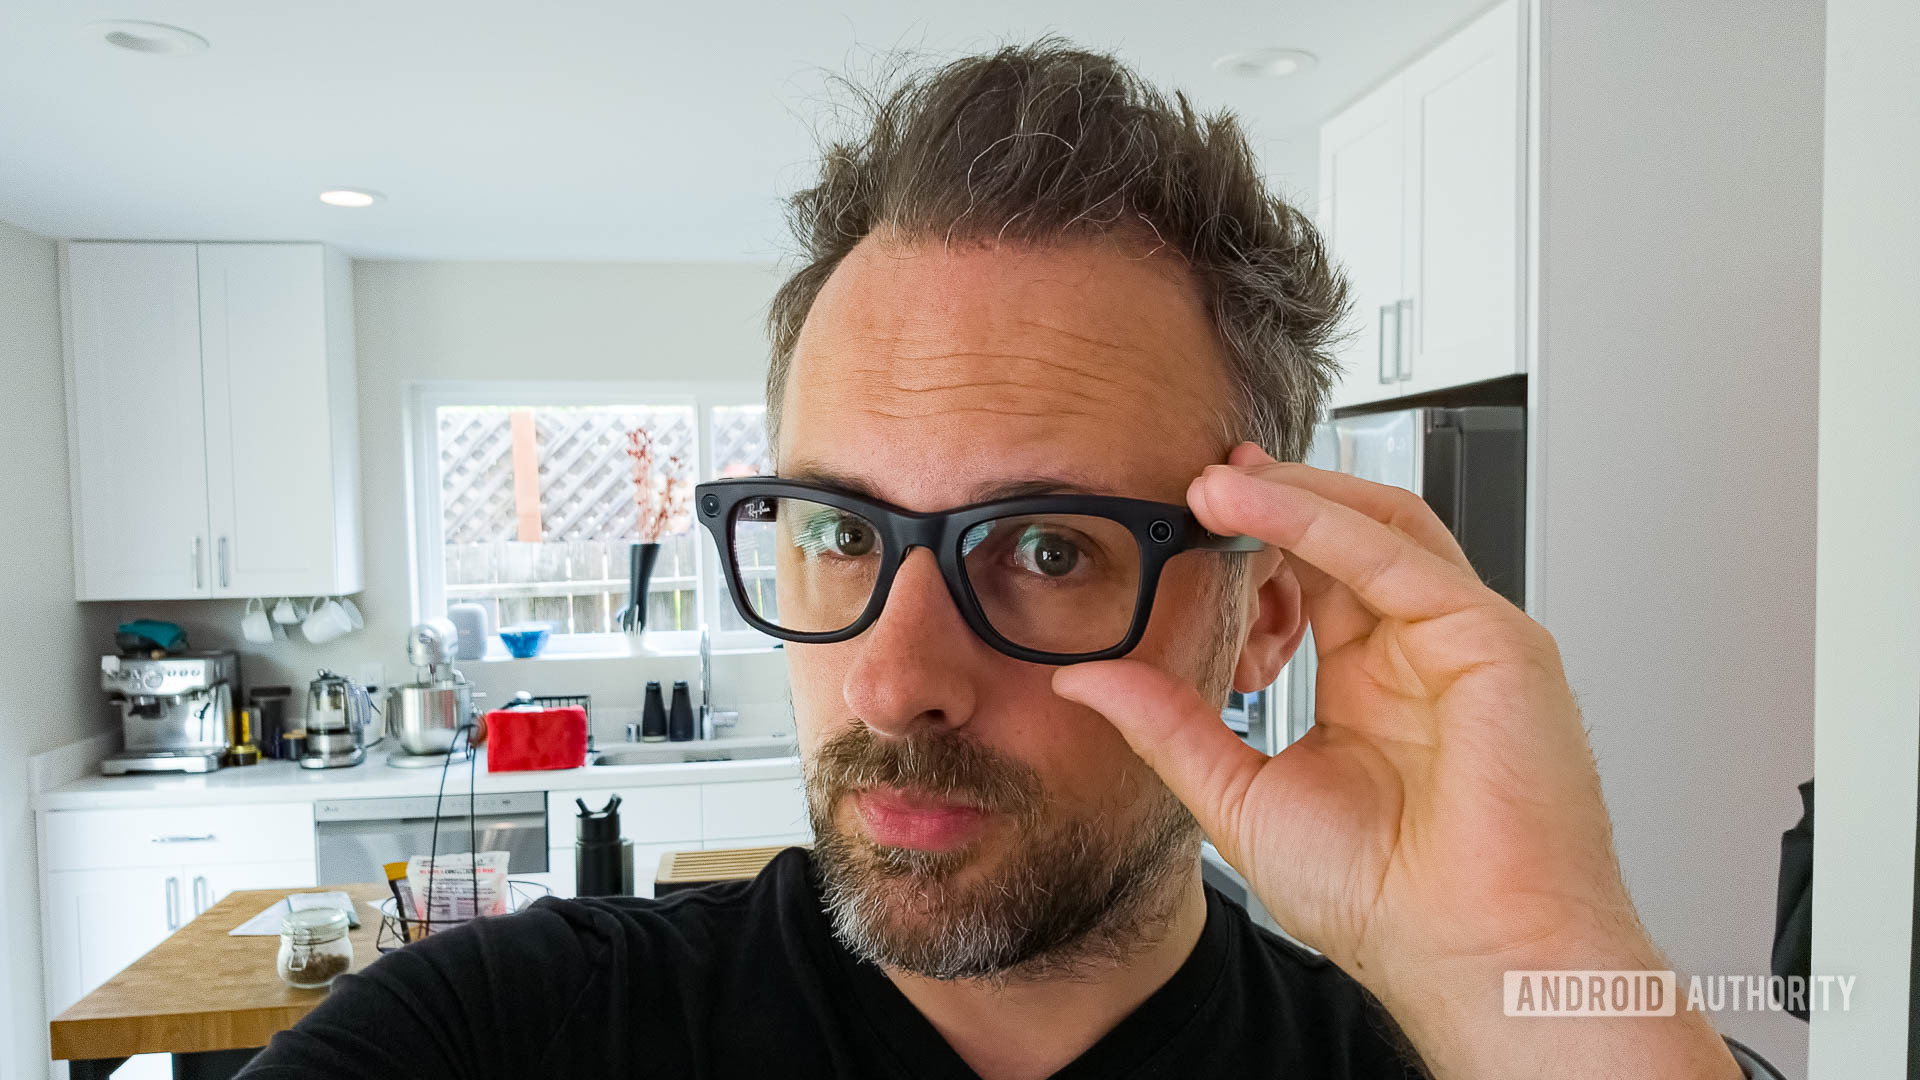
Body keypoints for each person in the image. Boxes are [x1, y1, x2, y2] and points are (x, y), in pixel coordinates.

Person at [239, 42, 1783, 1080]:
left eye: (1047, 546)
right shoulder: (509, 1036)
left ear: (1263, 616)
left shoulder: (1434, 1060)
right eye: (842, 533)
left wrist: (1527, 973)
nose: (891, 681)